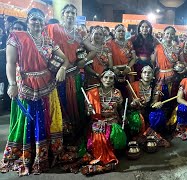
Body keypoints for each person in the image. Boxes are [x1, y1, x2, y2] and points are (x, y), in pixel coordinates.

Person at [0, 8, 69, 176]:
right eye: (33, 20)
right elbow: (10, 63)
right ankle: (28, 155)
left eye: (40, 20)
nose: (37, 23)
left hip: (47, 85)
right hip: (25, 85)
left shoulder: (48, 40)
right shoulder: (17, 37)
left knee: (47, 118)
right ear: (27, 21)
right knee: (28, 120)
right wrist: (12, 84)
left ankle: (46, 154)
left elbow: (65, 58)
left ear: (44, 22)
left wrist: (63, 69)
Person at [46, 4, 96, 152]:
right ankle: (56, 141)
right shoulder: (53, 28)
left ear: (76, 16)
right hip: (56, 74)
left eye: (73, 13)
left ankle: (72, 138)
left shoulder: (79, 32)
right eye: (67, 12)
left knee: (74, 105)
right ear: (62, 14)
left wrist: (84, 59)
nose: (70, 15)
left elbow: (93, 50)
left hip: (73, 74)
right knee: (58, 106)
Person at [81, 69, 126, 175]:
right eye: (106, 77)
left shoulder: (117, 93)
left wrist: (124, 116)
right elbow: (88, 114)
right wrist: (89, 110)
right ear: (101, 79)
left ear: (114, 80)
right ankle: (102, 158)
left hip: (113, 119)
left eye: (111, 78)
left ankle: (108, 156)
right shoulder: (92, 93)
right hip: (97, 120)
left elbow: (120, 108)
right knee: (99, 135)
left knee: (115, 134)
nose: (108, 80)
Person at [127, 65, 170, 147]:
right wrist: (133, 103)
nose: (147, 74)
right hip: (137, 110)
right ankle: (145, 136)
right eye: (145, 72)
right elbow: (129, 105)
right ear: (141, 74)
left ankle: (147, 135)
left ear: (153, 75)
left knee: (158, 115)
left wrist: (158, 104)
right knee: (135, 118)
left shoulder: (156, 86)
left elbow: (153, 103)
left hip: (149, 110)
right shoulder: (132, 85)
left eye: (149, 72)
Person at [151, 26, 185, 123]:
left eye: (172, 34)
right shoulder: (157, 47)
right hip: (160, 76)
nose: (169, 35)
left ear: (174, 35)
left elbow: (183, 62)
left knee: (172, 98)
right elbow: (153, 62)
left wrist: (181, 68)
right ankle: (160, 121)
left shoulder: (177, 48)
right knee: (159, 98)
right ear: (164, 34)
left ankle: (172, 121)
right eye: (167, 33)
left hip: (173, 77)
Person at [106, 24, 136, 98]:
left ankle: (128, 107)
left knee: (128, 92)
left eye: (123, 31)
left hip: (128, 71)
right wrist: (114, 69)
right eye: (119, 31)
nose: (121, 32)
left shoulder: (129, 43)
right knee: (115, 93)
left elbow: (134, 58)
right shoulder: (109, 43)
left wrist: (128, 68)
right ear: (114, 32)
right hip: (115, 72)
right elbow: (109, 59)